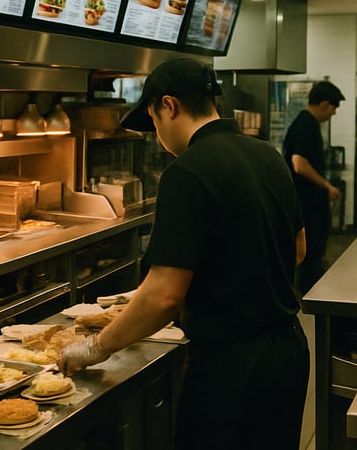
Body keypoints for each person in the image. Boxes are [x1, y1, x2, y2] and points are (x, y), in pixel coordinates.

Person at [59, 58, 310, 450]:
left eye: (153, 121)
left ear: (169, 106)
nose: (158, 135)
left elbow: (164, 296)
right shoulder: (268, 155)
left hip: (231, 370)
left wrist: (97, 346)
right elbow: (297, 251)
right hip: (288, 353)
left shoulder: (186, 171)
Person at [282, 80, 345, 296]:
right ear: (325, 104)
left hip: (308, 202)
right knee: (311, 255)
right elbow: (299, 163)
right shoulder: (306, 123)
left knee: (314, 254)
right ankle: (311, 299)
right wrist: (327, 186)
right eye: (334, 108)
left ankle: (312, 295)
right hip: (306, 203)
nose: (334, 113)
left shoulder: (306, 122)